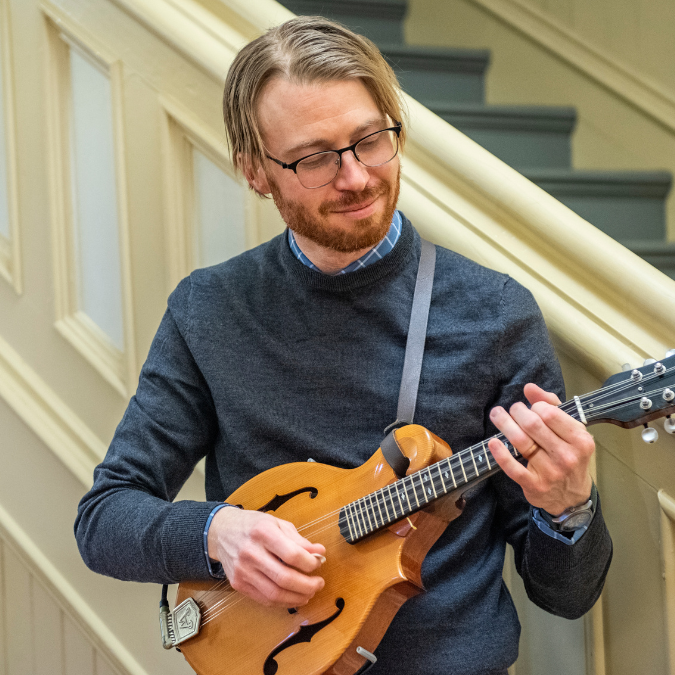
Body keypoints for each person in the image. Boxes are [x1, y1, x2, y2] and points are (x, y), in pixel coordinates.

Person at [75, 16, 612, 675]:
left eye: (369, 141)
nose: (356, 177)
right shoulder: (208, 308)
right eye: (315, 157)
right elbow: (103, 520)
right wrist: (216, 534)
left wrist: (569, 508)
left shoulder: (492, 313)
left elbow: (565, 594)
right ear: (254, 172)